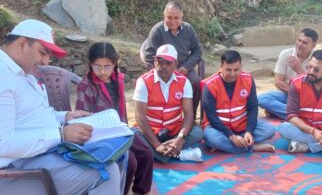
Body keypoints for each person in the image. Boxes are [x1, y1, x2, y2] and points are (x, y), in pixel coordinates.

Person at [0, 19, 126, 194]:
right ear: (21, 44)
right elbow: (3, 144)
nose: (46, 61)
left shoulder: (21, 72)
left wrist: (66, 116)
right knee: (106, 171)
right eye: (43, 53)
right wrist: (61, 134)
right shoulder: (3, 77)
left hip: (39, 155)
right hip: (17, 171)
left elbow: (31, 117)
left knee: (116, 155)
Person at [75, 42, 153, 194]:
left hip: (120, 129)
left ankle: (140, 191)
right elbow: (82, 119)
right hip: (100, 136)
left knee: (146, 153)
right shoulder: (86, 86)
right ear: (90, 64)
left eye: (107, 66)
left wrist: (126, 129)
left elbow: (121, 110)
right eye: (98, 66)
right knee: (130, 162)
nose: (103, 71)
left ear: (115, 64)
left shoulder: (117, 80)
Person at [133, 44, 203, 164]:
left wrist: (180, 138)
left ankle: (162, 153)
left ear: (176, 64)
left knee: (198, 133)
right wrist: (156, 144)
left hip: (174, 131)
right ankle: (179, 154)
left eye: (168, 62)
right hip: (150, 132)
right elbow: (140, 116)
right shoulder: (143, 82)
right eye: (160, 61)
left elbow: (189, 114)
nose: (163, 66)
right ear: (155, 62)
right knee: (132, 136)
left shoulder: (184, 82)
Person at [202, 50, 276, 153]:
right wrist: (231, 136)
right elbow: (211, 117)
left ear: (241, 66)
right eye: (228, 70)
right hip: (219, 128)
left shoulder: (248, 79)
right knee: (212, 138)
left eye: (236, 70)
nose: (232, 74)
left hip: (242, 124)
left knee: (269, 130)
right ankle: (251, 147)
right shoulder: (210, 85)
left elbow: (253, 107)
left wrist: (249, 131)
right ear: (221, 67)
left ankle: (237, 143)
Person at [140, 1, 202, 119]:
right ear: (164, 15)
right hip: (163, 69)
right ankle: (164, 118)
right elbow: (148, 54)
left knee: (196, 83)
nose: (172, 21)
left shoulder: (188, 29)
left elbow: (197, 51)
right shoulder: (157, 30)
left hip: (184, 68)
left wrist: (186, 67)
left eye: (176, 18)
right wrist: (166, 68)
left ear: (182, 16)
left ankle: (190, 117)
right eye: (169, 17)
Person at [257, 28, 318, 120]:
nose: (299, 44)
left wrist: (300, 71)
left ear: (313, 45)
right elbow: (278, 82)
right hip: (288, 94)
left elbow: (318, 86)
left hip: (309, 98)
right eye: (299, 40)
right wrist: (296, 95)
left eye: (304, 43)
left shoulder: (317, 58)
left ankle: (286, 114)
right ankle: (301, 117)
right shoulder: (285, 54)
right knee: (261, 99)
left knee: (320, 104)